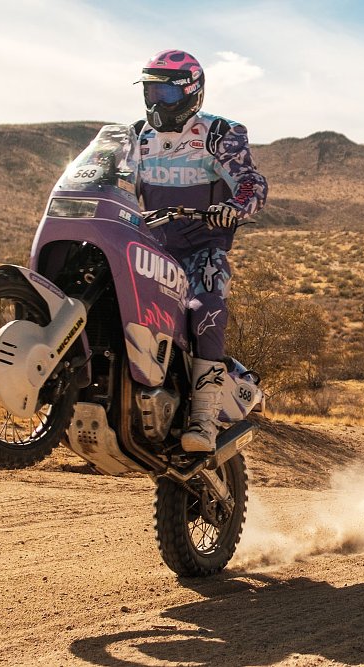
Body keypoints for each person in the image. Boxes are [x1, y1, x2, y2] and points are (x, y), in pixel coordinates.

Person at [134, 49, 268, 453]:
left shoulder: (218, 133)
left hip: (199, 250)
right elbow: (109, 179)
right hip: (148, 248)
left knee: (205, 308)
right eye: (151, 92)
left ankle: (204, 420)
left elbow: (251, 183)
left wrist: (233, 208)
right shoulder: (137, 136)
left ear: (192, 93)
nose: (157, 103)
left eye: (167, 95)